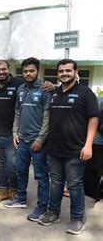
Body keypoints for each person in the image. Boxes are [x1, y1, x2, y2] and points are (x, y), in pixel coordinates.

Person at [38, 59, 99, 235]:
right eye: (61, 71)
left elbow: (93, 119)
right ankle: (53, 213)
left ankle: (78, 218)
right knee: (55, 182)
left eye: (68, 71)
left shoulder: (85, 93)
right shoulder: (55, 93)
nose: (64, 74)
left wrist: (88, 145)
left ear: (75, 71)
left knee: (74, 185)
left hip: (76, 150)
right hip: (54, 149)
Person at [4, 58, 51, 223]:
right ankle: (21, 198)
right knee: (21, 170)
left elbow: (47, 117)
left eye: (31, 71)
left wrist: (40, 139)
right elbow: (17, 111)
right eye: (25, 71)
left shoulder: (46, 89)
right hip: (22, 139)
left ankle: (42, 207)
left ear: (37, 71)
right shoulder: (21, 89)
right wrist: (15, 131)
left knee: (41, 175)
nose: (28, 74)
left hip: (37, 141)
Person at [0, 60, 23, 202]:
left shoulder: (18, 84)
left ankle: (15, 191)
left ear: (8, 69)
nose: (1, 72)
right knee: (1, 164)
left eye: (3, 69)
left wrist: (49, 85)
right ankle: (3, 191)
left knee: (13, 165)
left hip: (12, 134)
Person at [83, 97, 103, 202]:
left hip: (98, 141)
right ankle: (95, 193)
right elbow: (93, 120)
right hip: (98, 140)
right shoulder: (100, 101)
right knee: (96, 168)